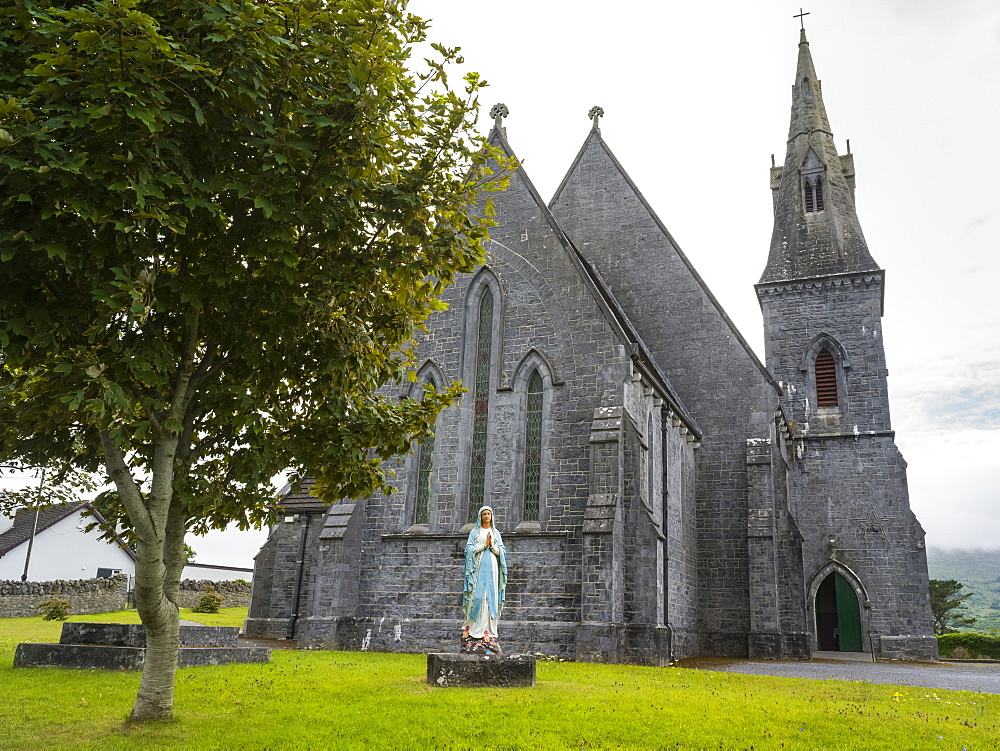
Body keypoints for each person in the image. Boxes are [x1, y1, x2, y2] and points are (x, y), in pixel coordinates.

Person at [462, 505, 507, 654]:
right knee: (477, 596)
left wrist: (492, 546)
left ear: (492, 516)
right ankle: (472, 630)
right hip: (478, 567)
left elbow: (502, 551)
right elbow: (468, 550)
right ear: (480, 516)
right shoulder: (475, 532)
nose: (487, 516)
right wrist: (483, 545)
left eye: (489, 514)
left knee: (490, 597)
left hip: (492, 568)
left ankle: (488, 631)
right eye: (484, 514)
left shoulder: (496, 533)